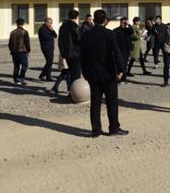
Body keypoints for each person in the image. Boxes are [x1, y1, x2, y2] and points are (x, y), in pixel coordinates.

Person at [80, 9, 129, 138]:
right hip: (108, 74)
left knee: (95, 103)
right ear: (105, 20)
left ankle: (96, 130)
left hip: (93, 74)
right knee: (111, 102)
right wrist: (121, 70)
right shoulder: (109, 34)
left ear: (94, 20)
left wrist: (85, 72)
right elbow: (117, 52)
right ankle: (114, 128)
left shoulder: (86, 35)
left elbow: (82, 57)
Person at [52, 9, 81, 94]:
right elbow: (79, 39)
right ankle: (74, 92)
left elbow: (60, 40)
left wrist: (62, 51)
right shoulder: (75, 26)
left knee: (70, 72)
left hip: (65, 53)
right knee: (76, 74)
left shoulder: (63, 26)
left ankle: (70, 90)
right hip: (75, 53)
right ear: (76, 17)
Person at [8, 18, 31, 85]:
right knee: (25, 66)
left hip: (14, 52)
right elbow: (27, 42)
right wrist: (28, 50)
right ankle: (21, 77)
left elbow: (9, 43)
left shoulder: (12, 32)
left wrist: (11, 50)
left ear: (17, 24)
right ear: (23, 23)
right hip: (22, 51)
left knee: (16, 66)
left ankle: (16, 79)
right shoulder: (24, 32)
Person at [113, 17, 133, 82]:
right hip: (119, 50)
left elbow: (132, 31)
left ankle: (123, 78)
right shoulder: (116, 30)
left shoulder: (127, 30)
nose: (123, 23)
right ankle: (118, 77)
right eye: (122, 22)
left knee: (125, 64)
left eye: (124, 22)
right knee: (118, 64)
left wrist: (128, 24)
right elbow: (114, 40)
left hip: (126, 50)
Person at [38, 17, 57, 81]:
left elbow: (55, 36)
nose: (51, 24)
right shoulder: (42, 29)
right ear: (46, 22)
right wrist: (51, 34)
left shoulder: (50, 28)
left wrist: (52, 30)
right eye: (50, 23)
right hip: (46, 48)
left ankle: (47, 76)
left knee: (49, 62)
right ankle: (43, 75)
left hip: (51, 47)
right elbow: (46, 37)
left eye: (51, 23)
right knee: (49, 62)